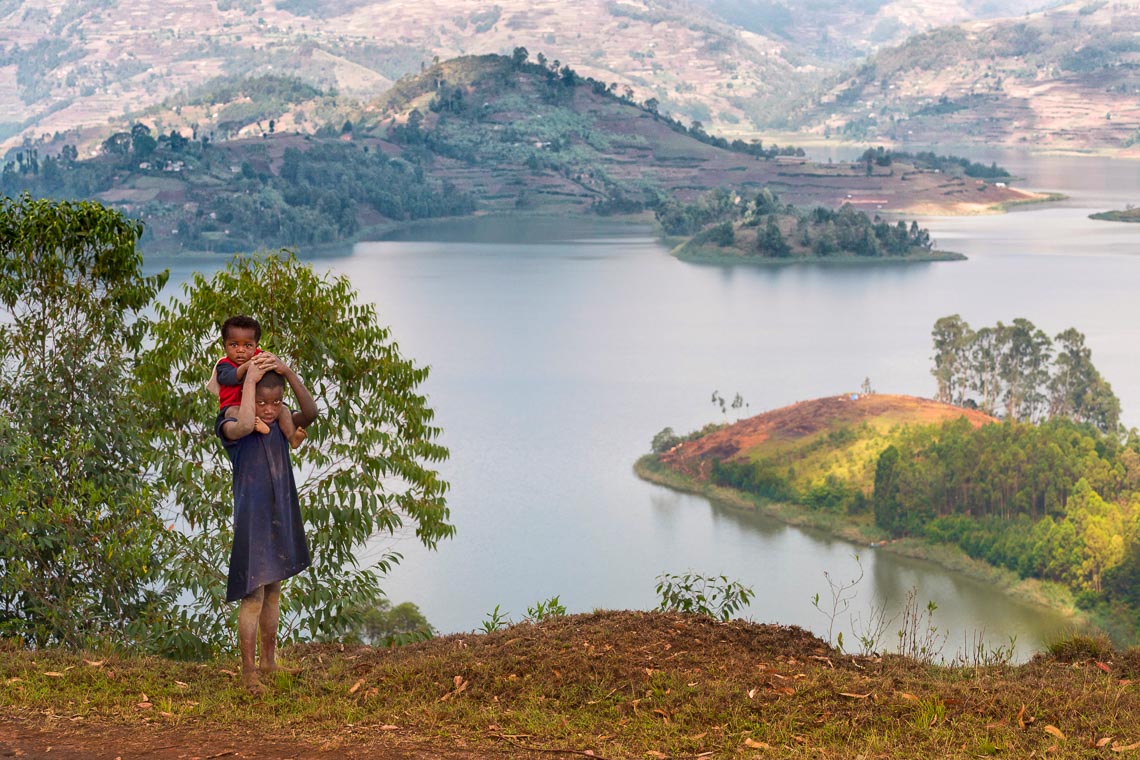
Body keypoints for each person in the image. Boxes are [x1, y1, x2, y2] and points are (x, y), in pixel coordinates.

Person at [216, 352, 319, 692]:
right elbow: (244, 424)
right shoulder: (233, 421)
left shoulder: (280, 422)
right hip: (253, 520)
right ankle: (248, 672)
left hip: (278, 514)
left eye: (275, 403)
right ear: (249, 398)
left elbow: (313, 413)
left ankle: (269, 663)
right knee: (253, 596)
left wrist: (287, 371)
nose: (269, 410)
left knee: (273, 590)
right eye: (262, 403)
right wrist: (247, 380)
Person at [208, 315, 306, 446]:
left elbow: (271, 363)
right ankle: (255, 425)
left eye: (248, 345)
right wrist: (245, 367)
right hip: (234, 405)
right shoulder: (224, 365)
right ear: (224, 346)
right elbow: (228, 377)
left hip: (259, 405)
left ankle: (292, 437)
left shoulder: (258, 356)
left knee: (283, 410)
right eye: (234, 344)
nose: (241, 350)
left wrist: (272, 361)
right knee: (233, 413)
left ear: (256, 346)